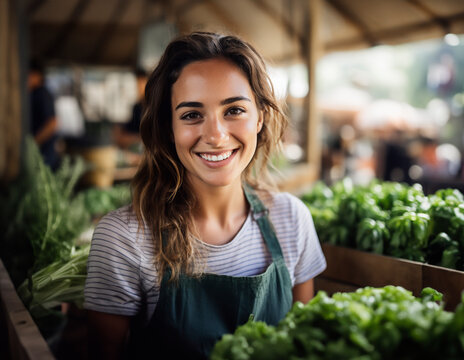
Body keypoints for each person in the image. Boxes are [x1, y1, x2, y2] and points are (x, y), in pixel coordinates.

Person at [84, 32, 327, 359]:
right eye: (191, 114)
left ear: (261, 117)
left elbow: (304, 344)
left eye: (234, 110)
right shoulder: (124, 238)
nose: (215, 135)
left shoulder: (291, 219)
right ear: (169, 129)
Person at [28, 59, 59, 170]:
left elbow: (52, 123)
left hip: (44, 154)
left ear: (37, 75)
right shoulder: (34, 94)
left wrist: (33, 143)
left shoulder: (42, 94)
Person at [113, 67, 148, 151]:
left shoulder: (153, 106)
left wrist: (132, 138)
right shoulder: (137, 107)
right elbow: (130, 126)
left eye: (140, 83)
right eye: (136, 83)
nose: (137, 87)